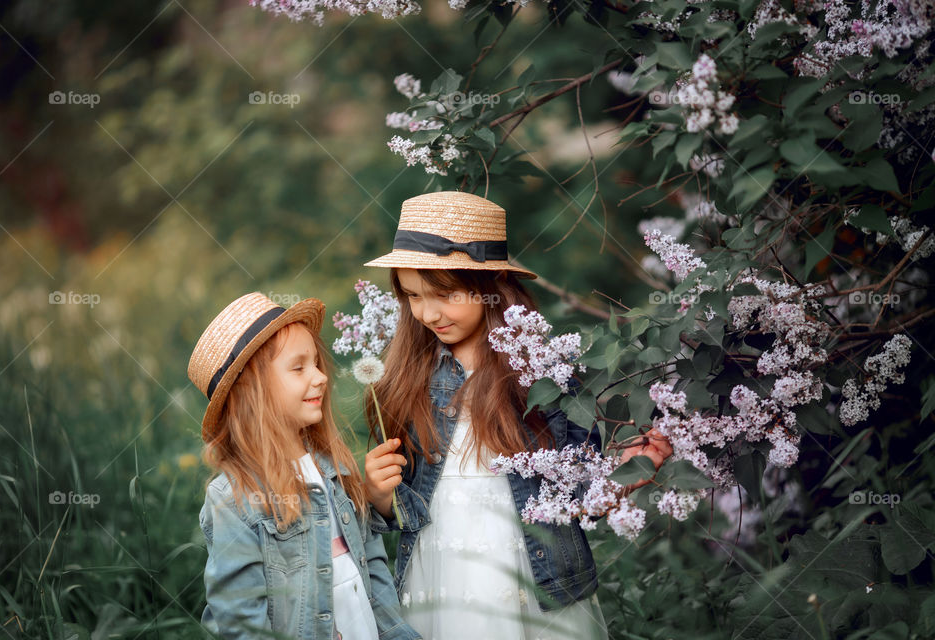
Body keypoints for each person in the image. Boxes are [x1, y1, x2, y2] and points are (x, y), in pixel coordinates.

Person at [361, 191, 670, 639]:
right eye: (412, 295)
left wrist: (621, 477)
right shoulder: (409, 378)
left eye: (445, 293)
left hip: (532, 577)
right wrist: (379, 495)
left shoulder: (541, 376)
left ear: (492, 286)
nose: (428, 312)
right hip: (441, 573)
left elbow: (578, 493)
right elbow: (406, 505)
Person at [187, 292, 420, 639]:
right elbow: (241, 620)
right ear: (253, 390)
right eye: (298, 368)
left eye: (316, 363)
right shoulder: (234, 499)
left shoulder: (335, 468)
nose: (321, 377)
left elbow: (373, 569)